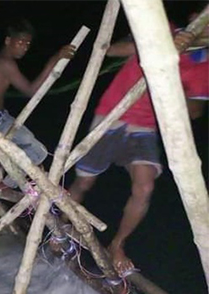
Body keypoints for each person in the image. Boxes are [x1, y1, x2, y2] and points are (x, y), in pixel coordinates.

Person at [68, 25, 208, 277]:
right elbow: (110, 51)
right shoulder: (164, 28)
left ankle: (117, 245)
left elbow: (194, 111)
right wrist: (163, 46)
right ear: (196, 18)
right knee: (84, 182)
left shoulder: (205, 66)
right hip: (113, 114)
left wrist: (172, 71)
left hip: (144, 125)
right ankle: (64, 228)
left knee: (145, 187)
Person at [0, 19, 75, 196]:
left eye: (27, 44)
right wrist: (55, 59)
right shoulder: (6, 64)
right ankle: (4, 185)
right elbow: (31, 90)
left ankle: (29, 180)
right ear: (8, 40)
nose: (24, 47)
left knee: (28, 148)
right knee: (37, 151)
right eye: (20, 42)